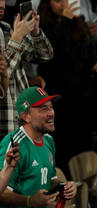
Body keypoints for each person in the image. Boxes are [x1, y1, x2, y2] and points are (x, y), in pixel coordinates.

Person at [0, 86, 77, 208]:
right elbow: (1, 192)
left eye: (51, 107)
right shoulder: (13, 144)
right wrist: (29, 201)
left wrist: (64, 187)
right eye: (43, 109)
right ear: (25, 116)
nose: (51, 113)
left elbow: (49, 180)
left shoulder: (49, 141)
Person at [37, 0, 97, 172]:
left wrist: (95, 61)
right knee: (63, 147)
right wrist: (65, 22)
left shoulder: (76, 21)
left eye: (65, 0)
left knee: (83, 143)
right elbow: (52, 55)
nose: (63, 4)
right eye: (57, 1)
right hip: (58, 96)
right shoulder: (43, 26)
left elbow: (87, 46)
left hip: (81, 94)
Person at [0, 0, 54, 138]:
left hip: (21, 125)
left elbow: (44, 56)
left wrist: (35, 33)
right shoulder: (14, 34)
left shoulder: (6, 30)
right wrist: (17, 38)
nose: (2, 4)